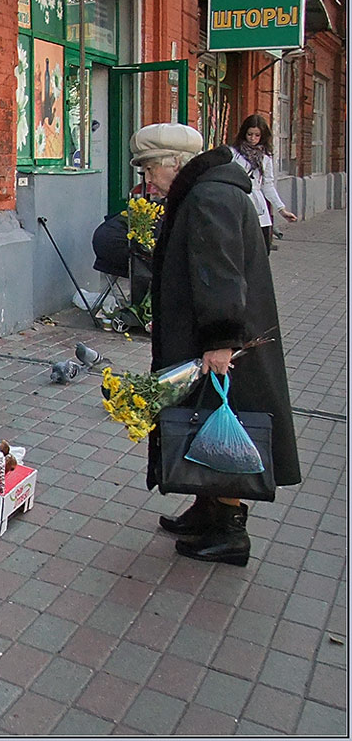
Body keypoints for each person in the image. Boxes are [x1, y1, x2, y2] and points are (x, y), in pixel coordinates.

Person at [129, 123, 300, 566]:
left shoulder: (209, 196)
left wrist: (221, 339)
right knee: (205, 420)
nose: (148, 180)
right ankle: (206, 507)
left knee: (226, 422)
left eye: (151, 169)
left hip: (220, 341)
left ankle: (229, 531)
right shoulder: (208, 191)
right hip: (209, 335)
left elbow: (220, 273)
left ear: (175, 163)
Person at [230, 113, 298, 252]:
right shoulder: (233, 153)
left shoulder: (265, 157)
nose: (253, 139)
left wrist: (281, 209)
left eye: (257, 135)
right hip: (236, 200)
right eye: (250, 134)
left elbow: (268, 185)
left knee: (260, 249)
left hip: (257, 203)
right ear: (244, 133)